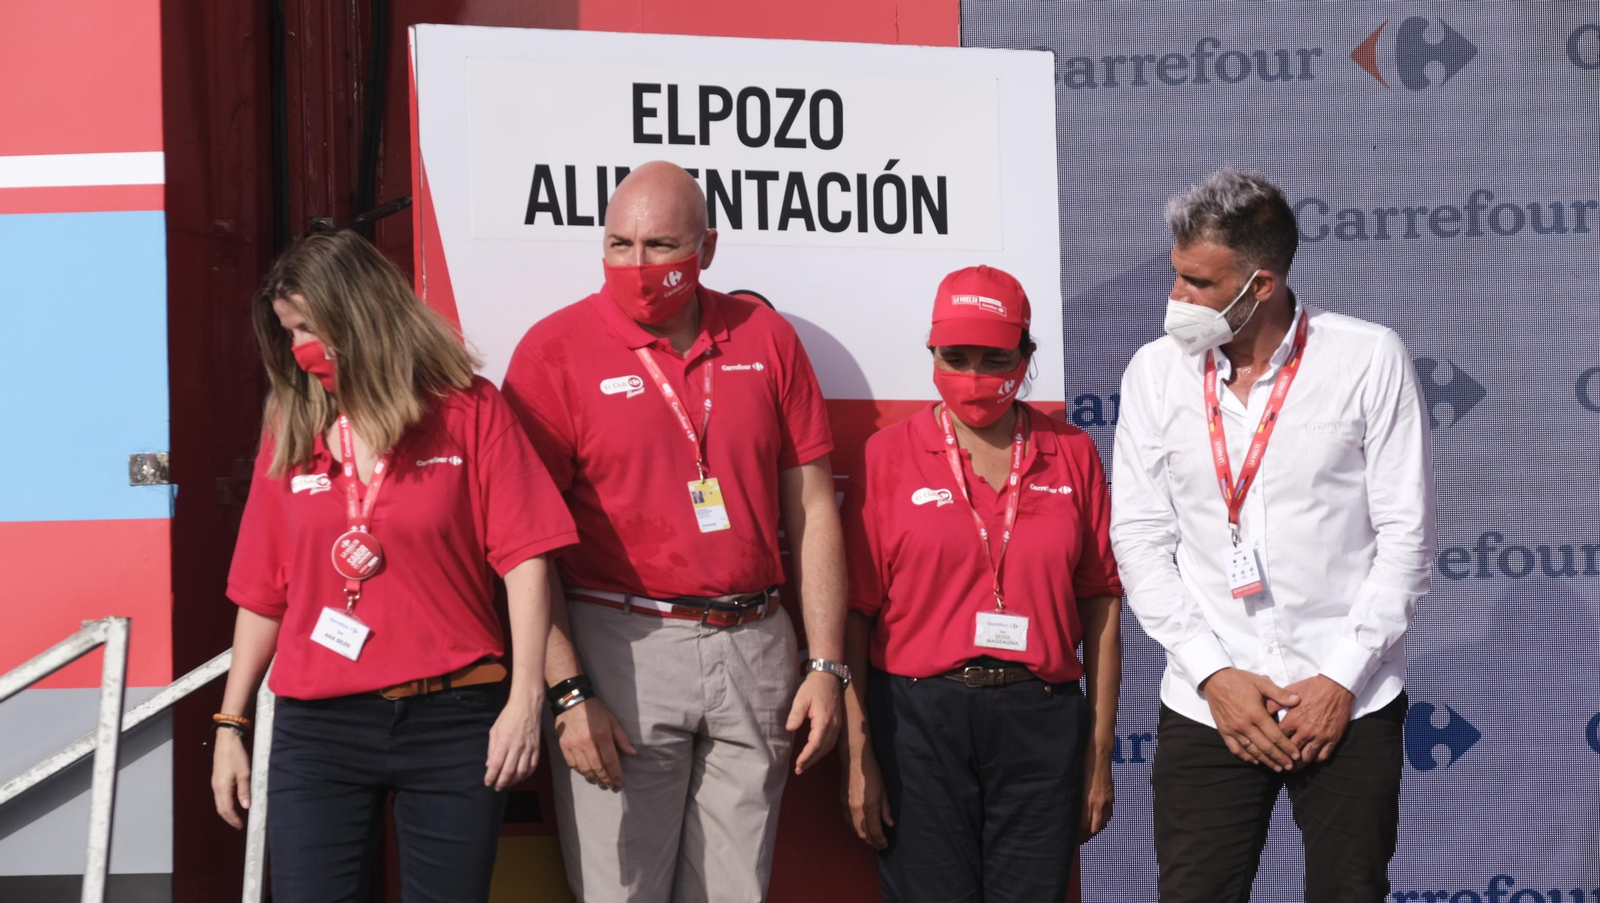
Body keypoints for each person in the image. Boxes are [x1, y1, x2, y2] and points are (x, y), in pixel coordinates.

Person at [501, 161, 850, 903]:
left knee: (736, 893)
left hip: (755, 645)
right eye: (619, 244)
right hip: (620, 644)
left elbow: (814, 509)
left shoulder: (766, 337)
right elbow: (524, 546)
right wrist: (567, 691)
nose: (637, 265)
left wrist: (826, 662)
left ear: (707, 249)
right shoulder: (554, 351)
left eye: (660, 245)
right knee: (618, 892)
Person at [211, 230, 576, 903]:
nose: (298, 352)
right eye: (288, 334)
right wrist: (231, 724)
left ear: (359, 315)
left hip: (455, 715)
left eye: (307, 330)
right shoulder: (289, 425)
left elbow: (526, 558)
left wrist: (527, 697)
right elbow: (263, 592)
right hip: (318, 727)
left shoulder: (469, 410)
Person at [1111, 167, 1435, 902]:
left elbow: (1407, 541)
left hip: (1349, 699)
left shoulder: (1366, 359)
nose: (1176, 298)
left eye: (1198, 282)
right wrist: (1212, 674)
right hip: (1211, 700)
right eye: (1176, 275)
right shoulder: (1154, 374)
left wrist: (1339, 677)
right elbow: (1138, 538)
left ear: (1260, 284)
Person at [835, 265, 1123, 902]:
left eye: (994, 360)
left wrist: (1098, 755)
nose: (972, 377)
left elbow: (1101, 603)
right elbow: (852, 615)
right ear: (931, 353)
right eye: (954, 357)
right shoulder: (888, 455)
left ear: (1027, 356)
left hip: (1039, 723)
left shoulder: (1072, 452)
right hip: (918, 720)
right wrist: (859, 754)